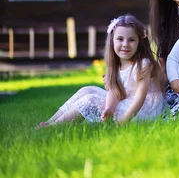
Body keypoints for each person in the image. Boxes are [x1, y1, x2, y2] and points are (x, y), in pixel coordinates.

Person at [38, 15, 166, 127]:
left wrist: (124, 120)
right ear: (112, 41)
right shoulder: (116, 66)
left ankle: (54, 127)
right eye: (120, 39)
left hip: (143, 110)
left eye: (131, 40)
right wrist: (109, 108)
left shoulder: (143, 65)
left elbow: (140, 98)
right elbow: (115, 92)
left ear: (139, 42)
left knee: (91, 100)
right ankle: (50, 121)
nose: (125, 44)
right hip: (127, 102)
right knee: (87, 90)